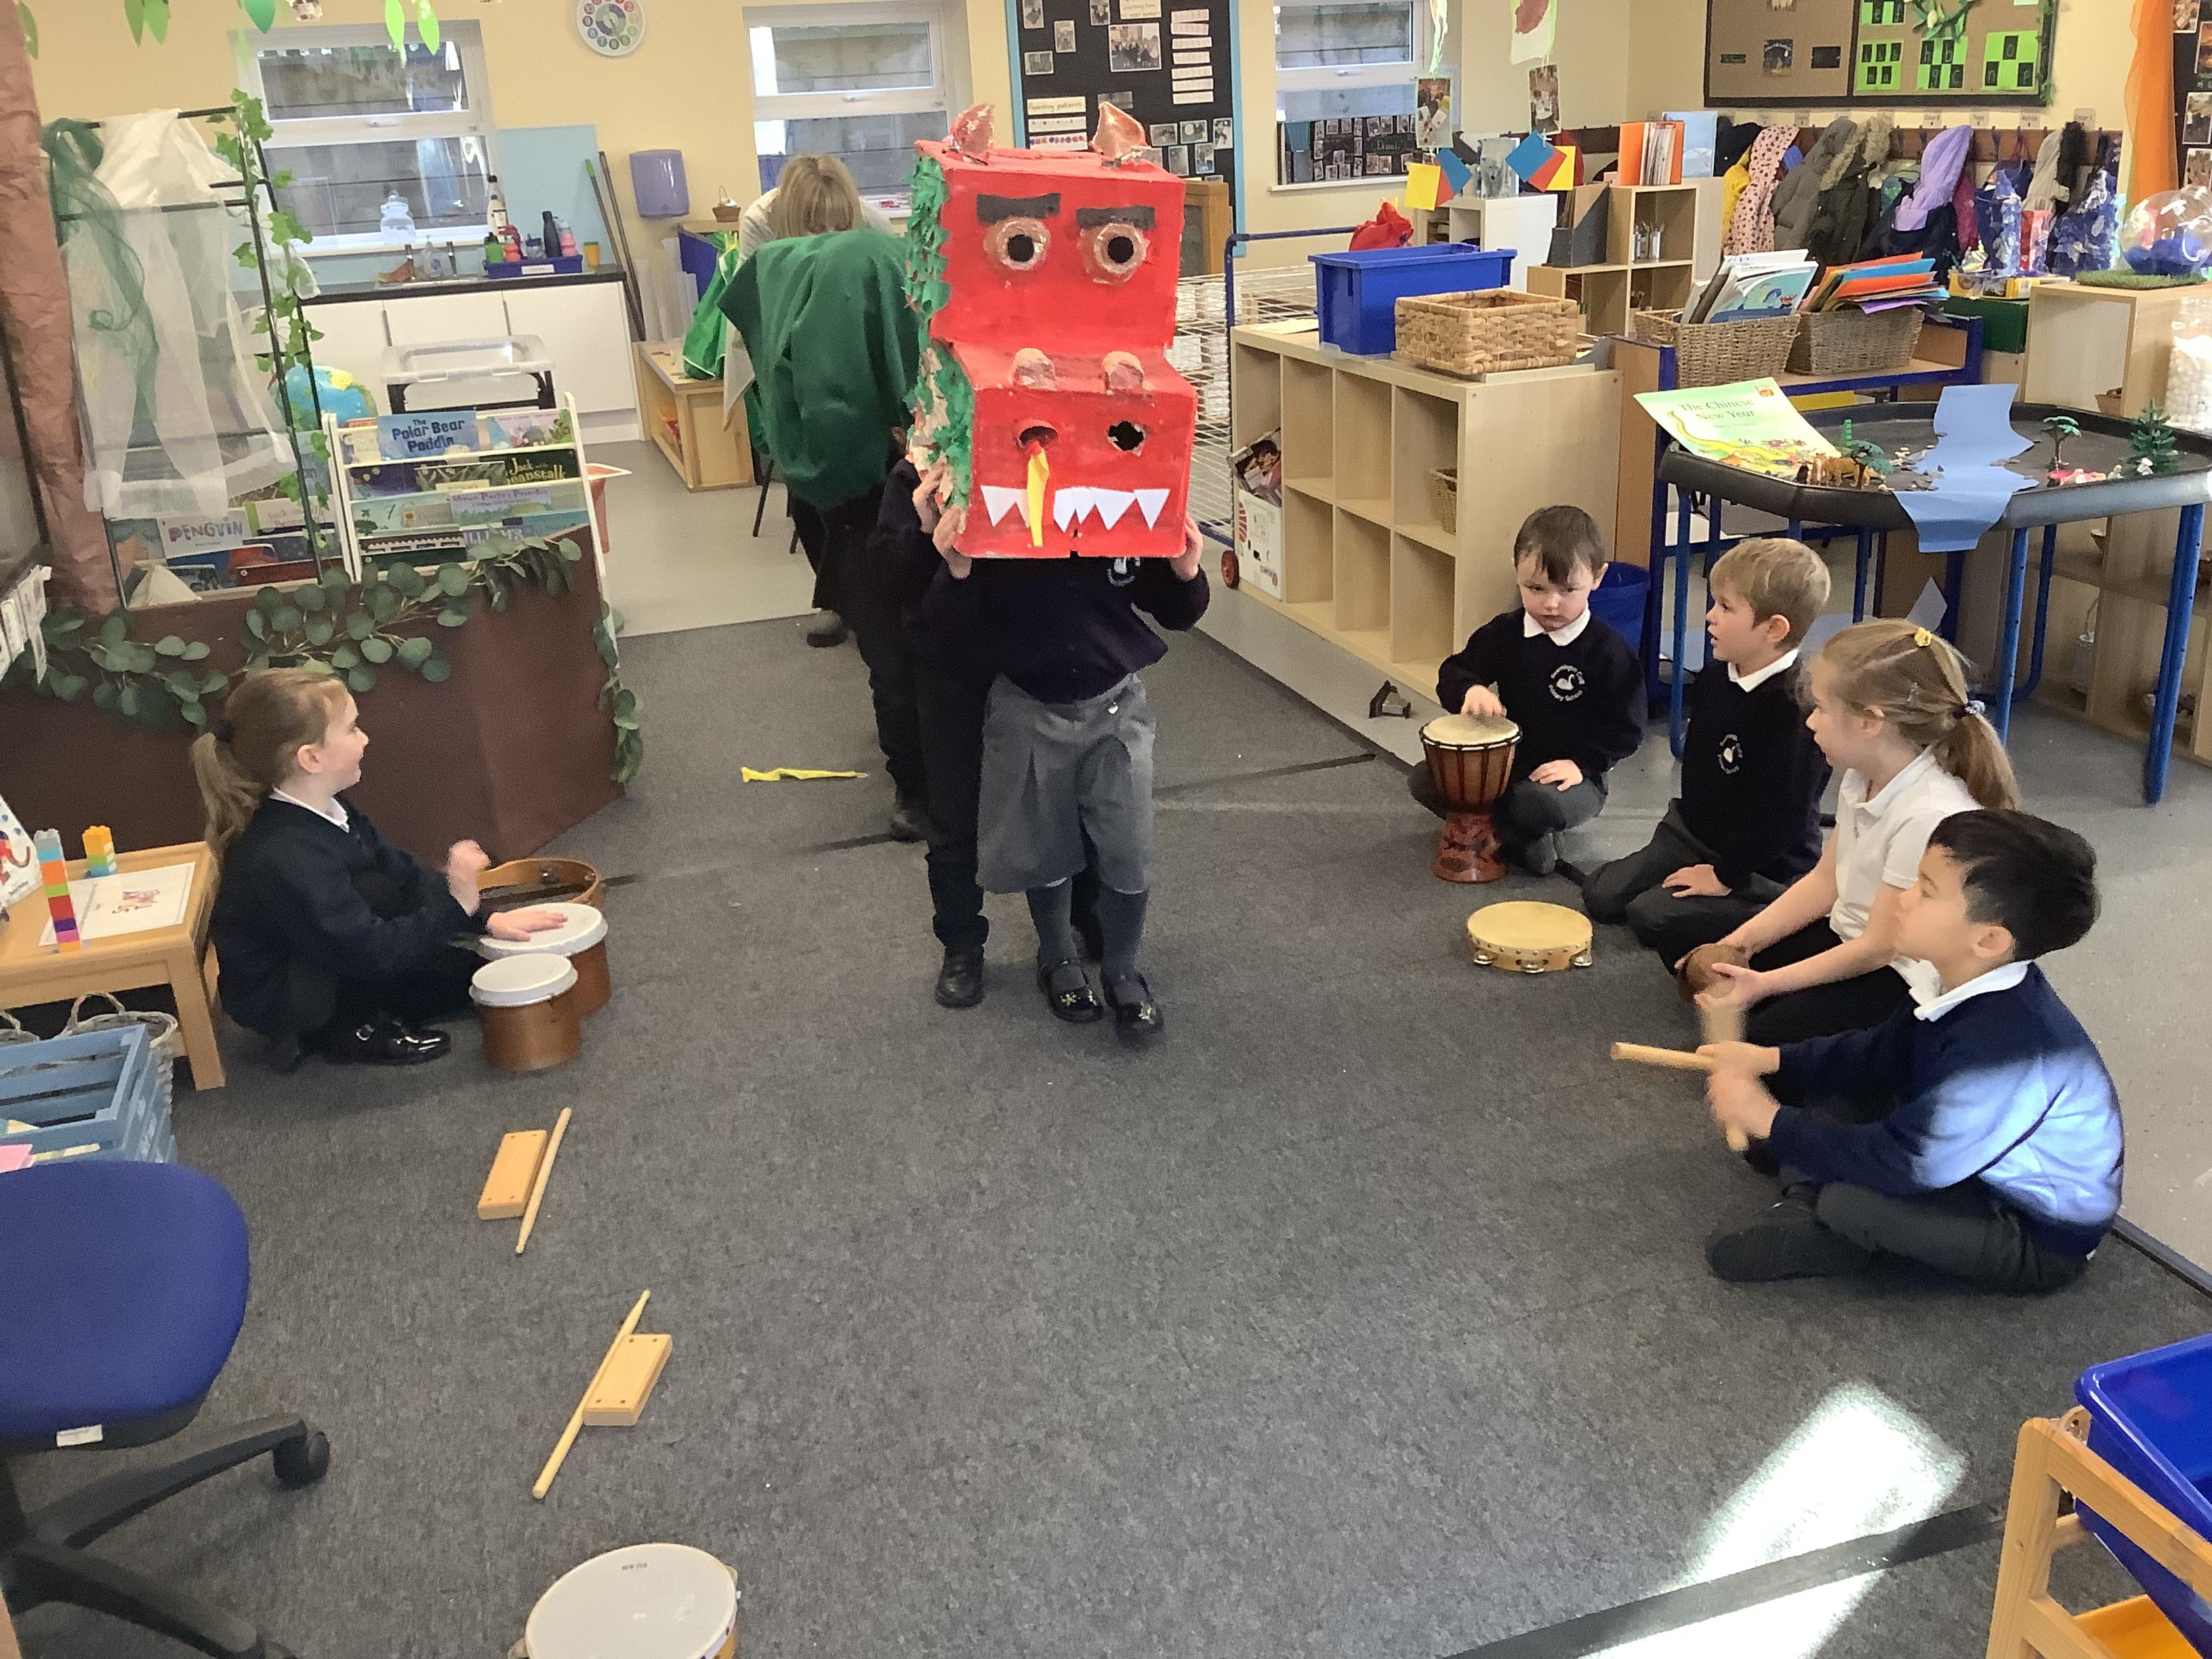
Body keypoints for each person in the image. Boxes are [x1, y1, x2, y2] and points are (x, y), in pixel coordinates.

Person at [1699, 809, 2119, 1290]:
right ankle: (1812, 1200)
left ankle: (1827, 1218)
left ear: (1988, 940)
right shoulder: (1958, 981)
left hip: (2028, 1231)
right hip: (1962, 1157)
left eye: (1926, 890)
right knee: (1836, 1097)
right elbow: (1880, 1052)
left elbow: (1908, 1163)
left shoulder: (2002, 1058)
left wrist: (1770, 1121)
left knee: (1848, 1201)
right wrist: (1771, 1060)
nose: (1902, 897)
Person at [925, 508, 1209, 1042]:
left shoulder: (1119, 511)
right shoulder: (1000, 514)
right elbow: (948, 632)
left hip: (1115, 708)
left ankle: (1122, 969)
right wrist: (956, 568)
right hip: (1028, 705)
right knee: (1044, 845)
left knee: (1127, 847)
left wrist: (1186, 571)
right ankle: (1057, 957)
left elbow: (1175, 610)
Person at [192, 668, 561, 1069]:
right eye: (352, 728)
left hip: (338, 944)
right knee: (383, 913)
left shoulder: (328, 808)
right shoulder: (286, 853)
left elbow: (402, 872)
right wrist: (455, 906)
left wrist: (483, 917)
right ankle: (343, 1027)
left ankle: (385, 995)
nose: (365, 738)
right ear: (311, 758)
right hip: (291, 991)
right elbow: (366, 949)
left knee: (455, 964)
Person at [1694, 619, 2021, 1048]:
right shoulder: (1862, 774)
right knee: (1695, 946)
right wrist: (1739, 945)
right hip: (1847, 934)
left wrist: (1765, 984)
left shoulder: (1926, 813)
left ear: (1870, 722)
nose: (1810, 722)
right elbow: (1824, 882)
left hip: (1895, 973)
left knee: (1762, 1043)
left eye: (1821, 709)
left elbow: (1880, 948)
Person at [867, 455, 1104, 1008]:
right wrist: (926, 537)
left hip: (1037, 665)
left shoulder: (1054, 461)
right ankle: (961, 944)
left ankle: (1076, 921)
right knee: (955, 813)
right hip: (952, 672)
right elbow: (888, 589)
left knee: (1066, 802)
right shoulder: (915, 476)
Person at [724, 205, 927, 839]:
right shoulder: (876, 259)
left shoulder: (775, 272)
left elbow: (799, 406)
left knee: (889, 654)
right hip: (899, 485)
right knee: (916, 650)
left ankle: (918, 791)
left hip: (843, 497)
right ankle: (929, 786)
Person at [1582, 538, 1830, 966]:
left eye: (1726, 608)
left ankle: (1779, 909)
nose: (1710, 616)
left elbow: (1782, 818)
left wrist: (1726, 875)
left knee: (1650, 916)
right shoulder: (1716, 676)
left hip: (1762, 862)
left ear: (1774, 629)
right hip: (1692, 834)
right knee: (1602, 895)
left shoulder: (1796, 710)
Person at [1412, 505, 1643, 874]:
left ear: (1598, 578)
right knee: (1425, 780)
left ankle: (1500, 828)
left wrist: (1582, 764)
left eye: (1568, 590)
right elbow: (1454, 671)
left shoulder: (1609, 651)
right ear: (1517, 573)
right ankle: (1516, 837)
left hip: (1571, 778)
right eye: (1535, 588)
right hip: (1506, 766)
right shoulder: (1505, 633)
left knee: (1538, 805)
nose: (1550, 604)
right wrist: (1471, 690)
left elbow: (1626, 729)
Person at [724, 157, 890, 651]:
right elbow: (763, 307)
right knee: (806, 486)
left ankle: (859, 599)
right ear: (793, 219)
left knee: (862, 489)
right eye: (816, 227)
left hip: (853, 359)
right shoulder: (761, 222)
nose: (829, 236)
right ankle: (837, 600)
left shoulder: (870, 223)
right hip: (787, 358)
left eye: (839, 226)